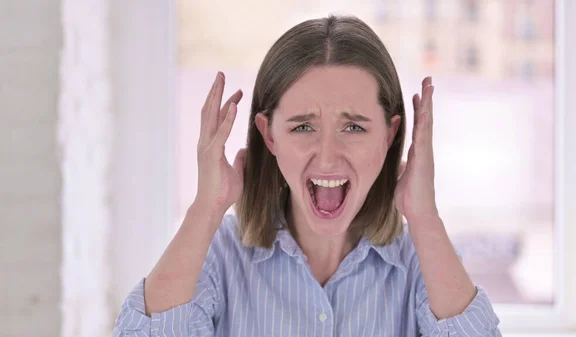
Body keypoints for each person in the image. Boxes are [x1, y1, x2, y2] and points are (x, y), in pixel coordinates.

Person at [112, 15, 501, 337]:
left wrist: (424, 217)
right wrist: (205, 209)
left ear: (389, 135)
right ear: (269, 135)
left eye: (354, 127)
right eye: (302, 127)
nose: (328, 158)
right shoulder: (221, 254)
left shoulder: (421, 258)